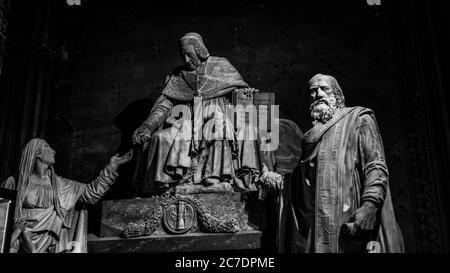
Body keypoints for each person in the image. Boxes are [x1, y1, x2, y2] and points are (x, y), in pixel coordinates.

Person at [275, 74, 404, 253]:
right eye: (313, 91)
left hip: (350, 215)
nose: (318, 94)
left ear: (337, 94)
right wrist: (280, 182)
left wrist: (370, 206)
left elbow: (375, 165)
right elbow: (303, 183)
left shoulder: (358, 118)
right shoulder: (312, 137)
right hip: (320, 223)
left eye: (324, 89)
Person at [131, 32, 272, 196]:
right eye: (182, 55)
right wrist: (147, 126)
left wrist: (244, 94)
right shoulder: (178, 76)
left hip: (216, 115)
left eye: (189, 55)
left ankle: (213, 178)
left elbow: (240, 95)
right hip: (185, 122)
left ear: (200, 51)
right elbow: (164, 106)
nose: (186, 60)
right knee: (160, 138)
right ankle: (168, 185)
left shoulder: (220, 66)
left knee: (218, 129)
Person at [1, 138, 133, 253]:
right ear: (38, 153)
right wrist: (17, 231)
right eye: (48, 147)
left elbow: (92, 193)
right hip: (19, 242)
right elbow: (2, 217)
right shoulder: (14, 183)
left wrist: (112, 167)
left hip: (50, 242)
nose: (54, 151)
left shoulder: (62, 186)